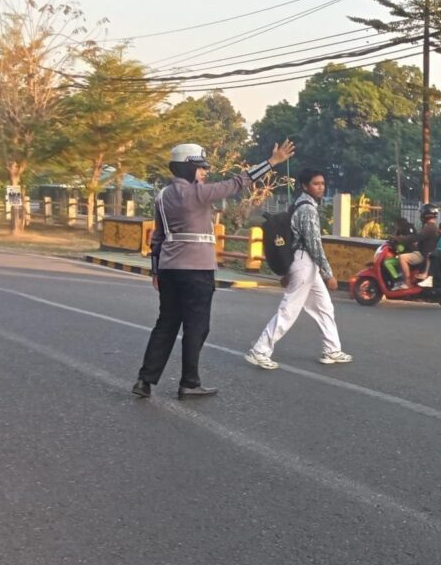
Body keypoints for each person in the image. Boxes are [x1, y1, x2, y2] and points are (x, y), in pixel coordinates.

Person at [133, 140, 295, 399]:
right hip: (197, 270)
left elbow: (157, 237)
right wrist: (272, 162)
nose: (204, 172)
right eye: (199, 168)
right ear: (186, 169)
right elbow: (239, 182)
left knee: (165, 324)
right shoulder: (199, 194)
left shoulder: (163, 196)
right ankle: (189, 382)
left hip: (168, 270)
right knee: (196, 326)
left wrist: (155, 271)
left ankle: (145, 380)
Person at [244, 168, 351, 370]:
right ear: (304, 186)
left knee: (324, 307)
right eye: (316, 184)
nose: (321, 187)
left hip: (304, 263)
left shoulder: (301, 205)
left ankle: (331, 349)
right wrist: (328, 273)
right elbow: (314, 244)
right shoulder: (307, 209)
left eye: (322, 183)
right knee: (289, 310)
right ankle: (259, 350)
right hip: (304, 263)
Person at [397, 203, 439, 287]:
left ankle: (407, 282)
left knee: (402, 258)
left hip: (423, 254)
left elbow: (417, 237)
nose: (421, 215)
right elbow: (421, 239)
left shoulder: (429, 227)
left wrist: (399, 238)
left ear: (426, 214)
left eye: (422, 212)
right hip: (424, 252)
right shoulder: (431, 227)